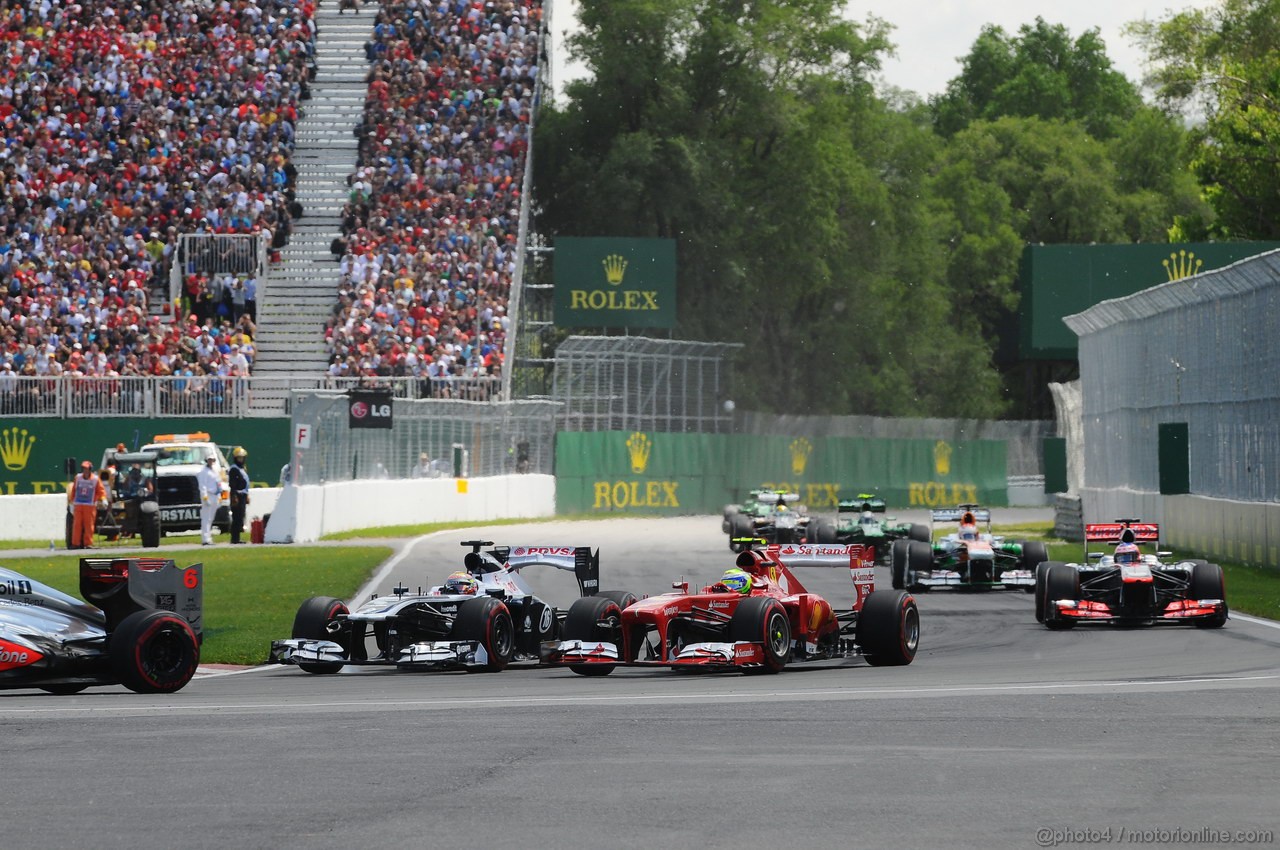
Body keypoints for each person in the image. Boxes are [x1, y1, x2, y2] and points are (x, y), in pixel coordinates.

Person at [67, 460, 106, 549]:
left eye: (86, 469)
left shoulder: (95, 479)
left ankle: (88, 543)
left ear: (90, 469)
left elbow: (101, 490)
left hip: (90, 506)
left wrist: (103, 499)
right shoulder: (78, 478)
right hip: (78, 505)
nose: (85, 470)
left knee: (89, 525)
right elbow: (74, 490)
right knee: (77, 525)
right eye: (83, 468)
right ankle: (75, 543)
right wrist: (72, 502)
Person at [196, 455, 222, 545]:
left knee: (211, 518)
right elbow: (202, 486)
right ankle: (205, 539)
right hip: (208, 495)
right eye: (209, 460)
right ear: (207, 460)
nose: (211, 461)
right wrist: (205, 497)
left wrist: (219, 495)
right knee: (206, 518)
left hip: (215, 495)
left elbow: (218, 482)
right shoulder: (203, 472)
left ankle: (209, 538)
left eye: (212, 460)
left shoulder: (214, 470)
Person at [228, 447, 250, 544]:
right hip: (237, 494)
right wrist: (234, 496)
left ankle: (238, 537)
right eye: (239, 458)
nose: (240, 460)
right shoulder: (234, 469)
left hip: (243, 494)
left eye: (242, 458)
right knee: (236, 517)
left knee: (241, 516)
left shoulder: (242, 468)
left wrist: (247, 494)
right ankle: (234, 539)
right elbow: (232, 484)